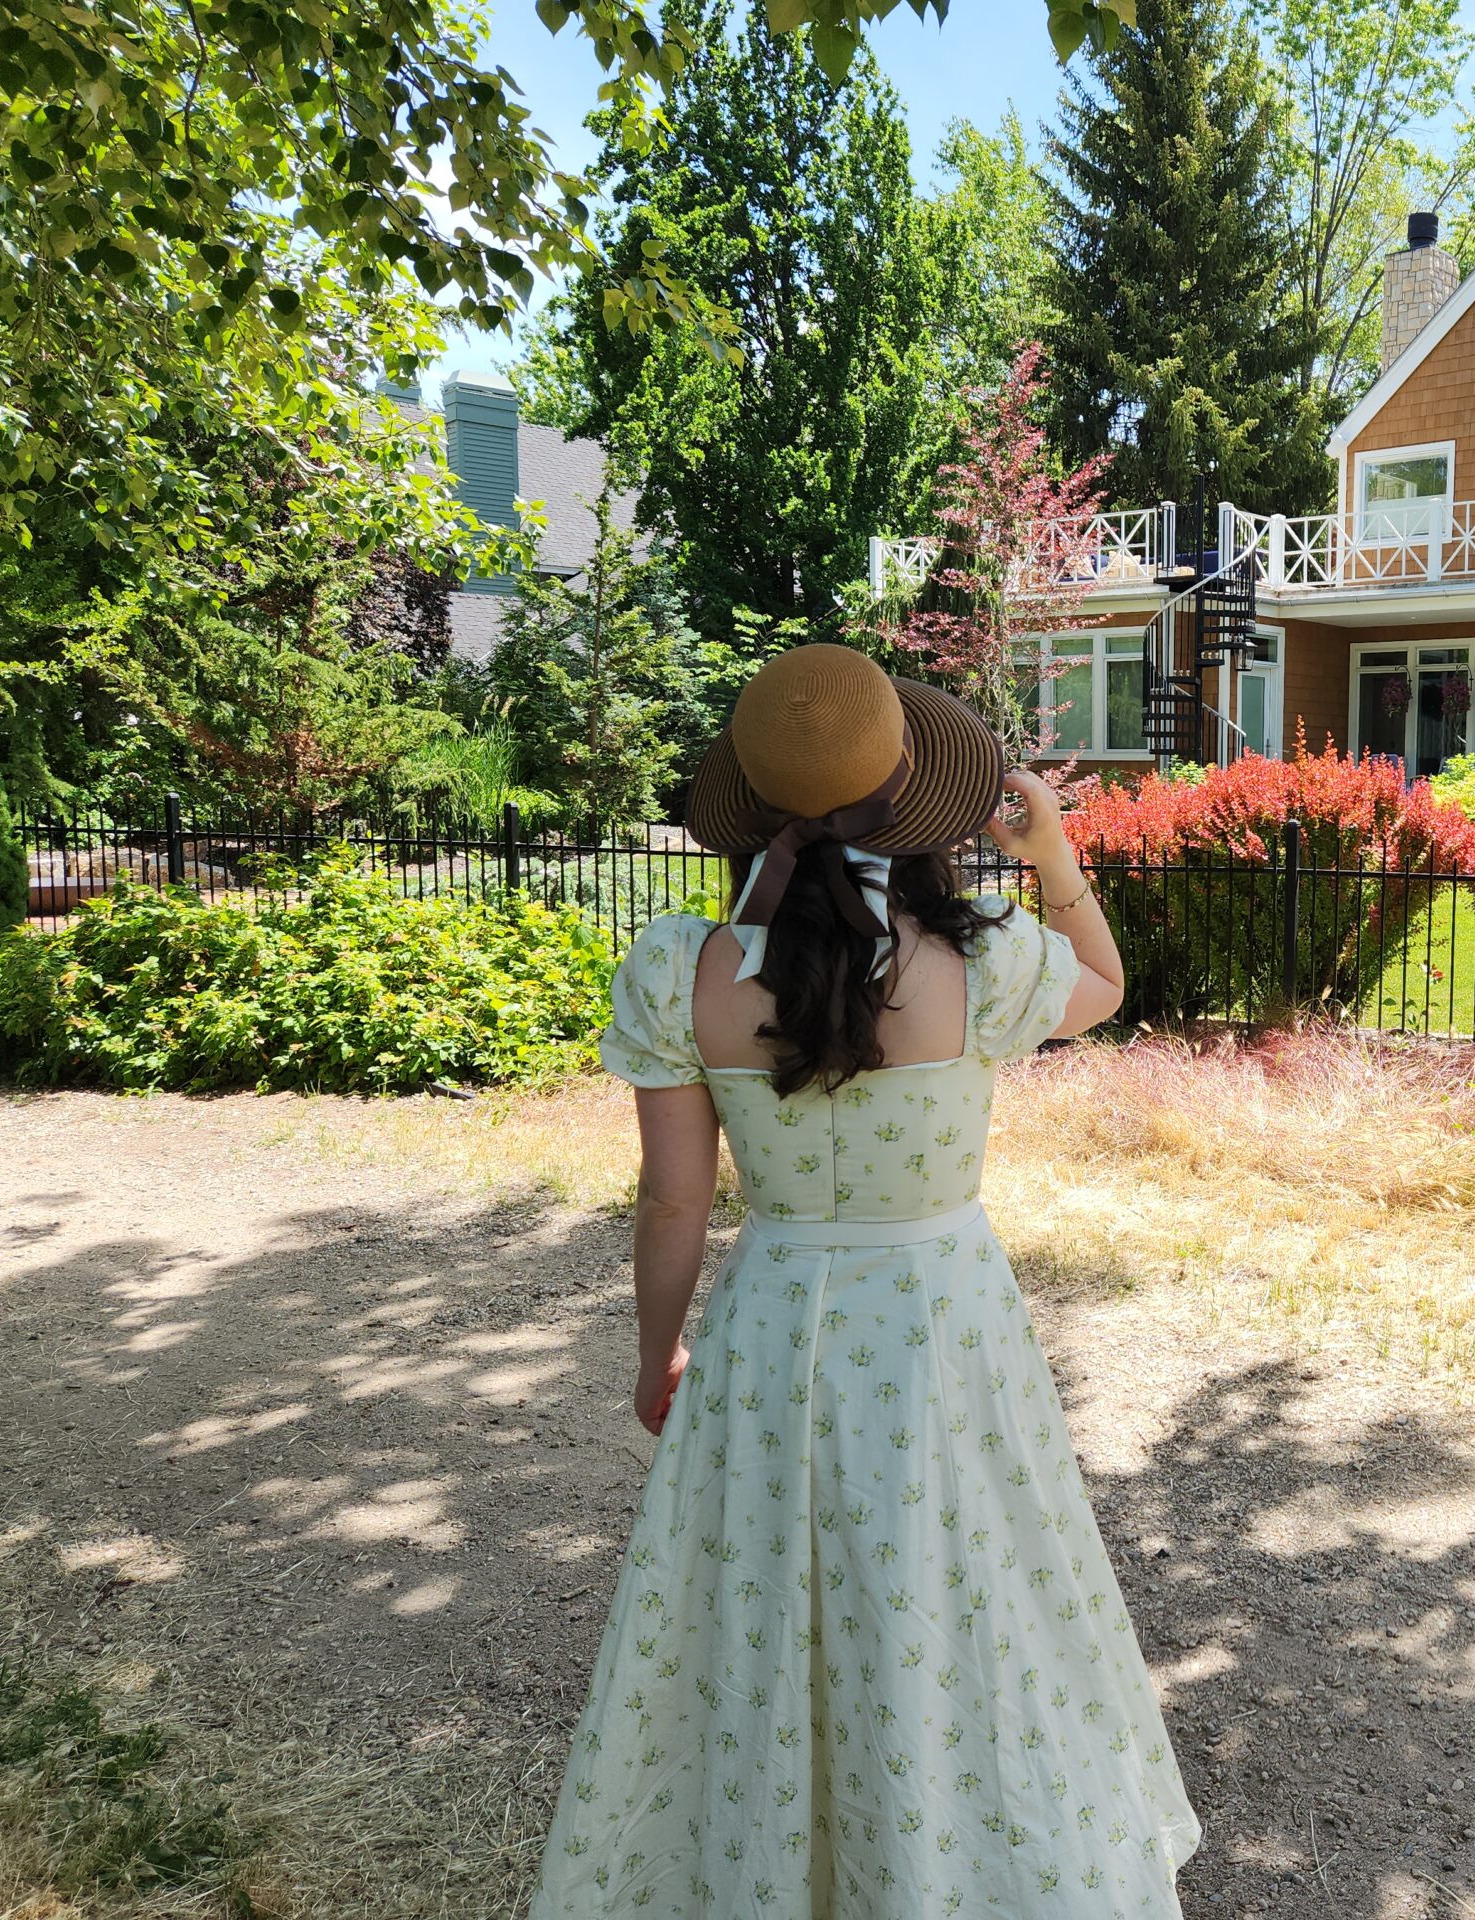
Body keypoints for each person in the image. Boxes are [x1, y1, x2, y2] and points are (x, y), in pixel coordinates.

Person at [529, 645, 1198, 1916]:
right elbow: (1104, 988)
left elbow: (674, 1200)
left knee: (764, 1593)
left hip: (775, 1320)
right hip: (943, 1320)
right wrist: (1050, 848)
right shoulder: (987, 958)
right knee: (961, 1575)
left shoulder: (686, 969)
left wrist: (653, 1354)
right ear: (919, 803)